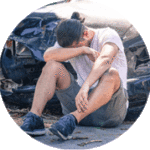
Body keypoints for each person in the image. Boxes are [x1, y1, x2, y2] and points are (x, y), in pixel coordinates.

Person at [21, 12, 128, 140]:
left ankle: (73, 119)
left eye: (77, 46)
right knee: (52, 66)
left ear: (86, 34)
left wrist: (85, 86)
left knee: (111, 73)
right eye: (73, 48)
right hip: (80, 104)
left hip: (109, 112)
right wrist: (82, 50)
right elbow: (47, 56)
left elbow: (105, 59)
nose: (75, 50)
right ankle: (34, 118)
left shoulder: (108, 34)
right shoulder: (73, 39)